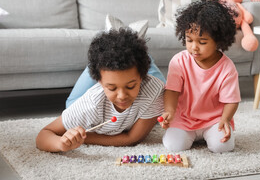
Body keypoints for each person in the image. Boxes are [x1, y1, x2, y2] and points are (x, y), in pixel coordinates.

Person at [36, 28, 164, 152]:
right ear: (100, 82)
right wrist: (61, 144)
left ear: (141, 78)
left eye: (130, 86)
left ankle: (123, 38)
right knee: (71, 104)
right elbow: (43, 135)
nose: (122, 96)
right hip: (90, 97)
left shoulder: (154, 91)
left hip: (142, 77)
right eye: (112, 88)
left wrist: (86, 139)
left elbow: (132, 138)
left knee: (151, 67)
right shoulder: (91, 104)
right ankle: (113, 37)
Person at [159, 0, 241, 153]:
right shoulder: (179, 61)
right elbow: (172, 91)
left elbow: (231, 101)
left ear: (218, 41)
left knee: (223, 147)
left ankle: (209, 135)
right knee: (174, 146)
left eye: (202, 42)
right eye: (189, 40)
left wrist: (225, 119)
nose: (194, 47)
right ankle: (192, 135)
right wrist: (169, 111)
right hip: (184, 119)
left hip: (214, 119)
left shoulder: (227, 68)